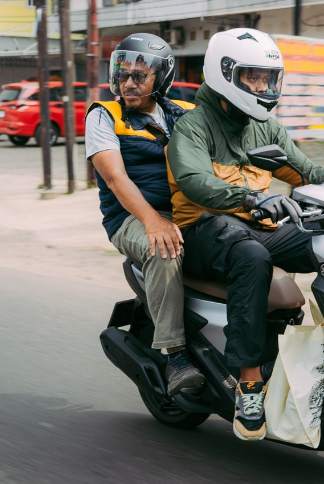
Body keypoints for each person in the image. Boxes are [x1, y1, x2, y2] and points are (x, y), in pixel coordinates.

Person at [166, 28, 324, 441]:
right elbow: (195, 183)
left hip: (254, 226)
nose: (262, 87)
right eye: (252, 77)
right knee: (251, 257)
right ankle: (250, 385)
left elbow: (308, 171)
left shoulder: (265, 126)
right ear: (224, 75)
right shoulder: (193, 127)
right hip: (202, 231)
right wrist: (253, 199)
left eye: (268, 79)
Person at [86, 33, 204, 397]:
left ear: (161, 79)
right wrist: (153, 221)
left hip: (186, 211)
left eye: (139, 76)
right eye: (122, 75)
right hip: (130, 218)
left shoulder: (185, 112)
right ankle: (175, 355)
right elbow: (115, 178)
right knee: (163, 249)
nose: (127, 83)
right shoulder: (104, 115)